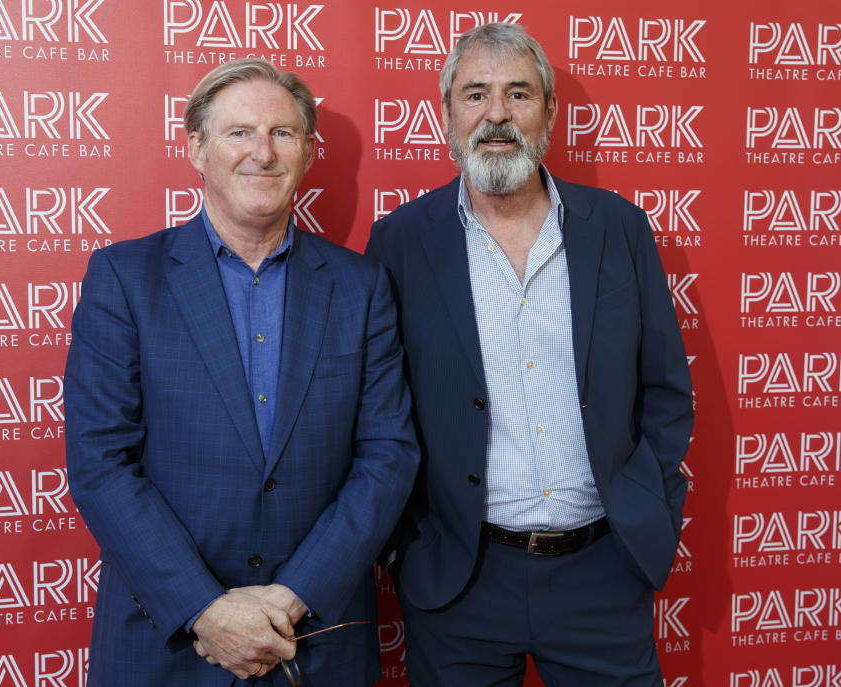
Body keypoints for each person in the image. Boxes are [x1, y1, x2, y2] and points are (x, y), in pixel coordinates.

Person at [64, 58, 419, 686]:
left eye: (283, 133)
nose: (263, 152)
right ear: (196, 148)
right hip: (168, 642)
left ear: (308, 153)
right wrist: (205, 609)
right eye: (239, 133)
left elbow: (387, 455)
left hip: (314, 641)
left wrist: (292, 596)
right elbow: (101, 462)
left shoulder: (361, 287)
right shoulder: (123, 279)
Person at [366, 22, 694, 686]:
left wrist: (648, 507)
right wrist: (406, 549)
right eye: (475, 94)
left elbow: (665, 390)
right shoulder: (399, 242)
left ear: (548, 110)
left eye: (518, 93)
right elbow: (377, 411)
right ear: (447, 114)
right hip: (459, 579)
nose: (496, 115)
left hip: (603, 573)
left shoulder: (619, 227)